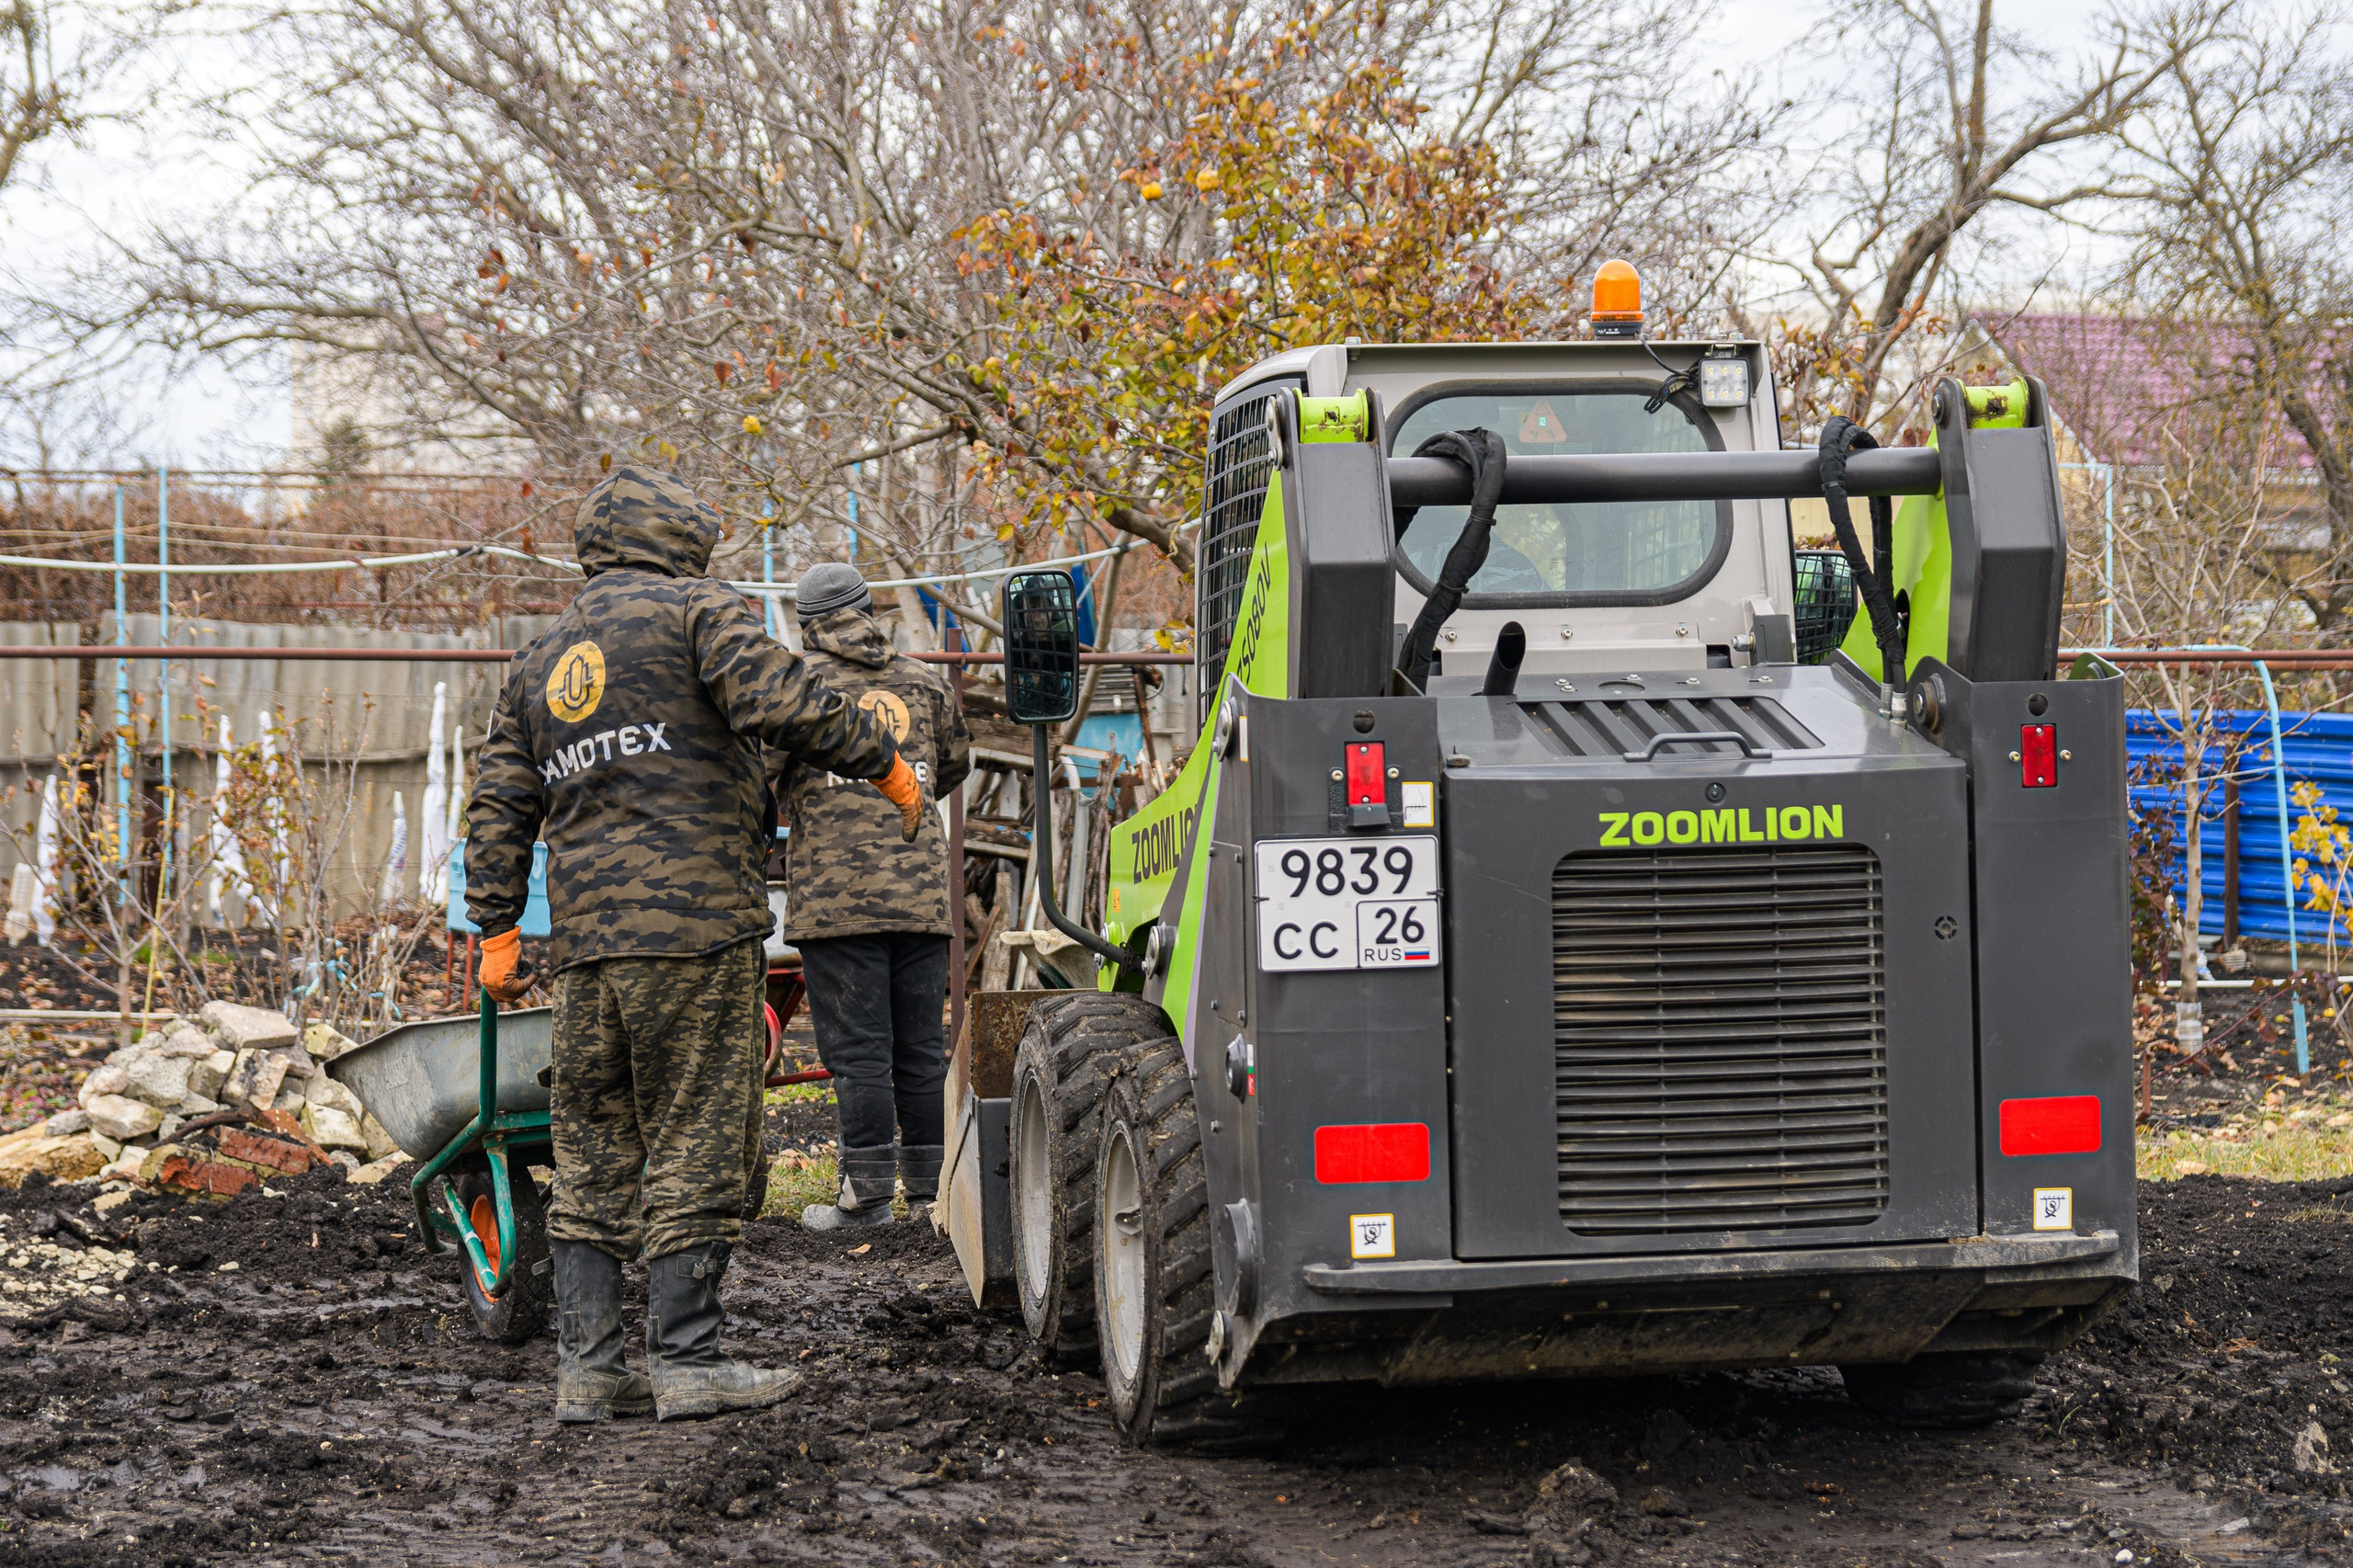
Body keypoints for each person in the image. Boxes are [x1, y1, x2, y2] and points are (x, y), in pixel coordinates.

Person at [467, 467, 925, 1424]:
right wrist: (882, 762)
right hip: (696, 932)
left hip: (589, 950)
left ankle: (589, 1370)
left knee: (592, 1148)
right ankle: (687, 1359)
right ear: (676, 542)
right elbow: (786, 699)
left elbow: (502, 800)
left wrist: (499, 926)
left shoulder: (541, 658)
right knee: (699, 1138)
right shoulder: (695, 613)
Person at [779, 563, 972, 1230]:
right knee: (920, 1049)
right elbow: (953, 765)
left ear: (808, 624)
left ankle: (863, 1201)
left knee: (859, 1052)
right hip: (919, 894)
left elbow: (762, 774)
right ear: (868, 609)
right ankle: (930, 1199)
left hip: (838, 904)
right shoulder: (922, 681)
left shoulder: (797, 685)